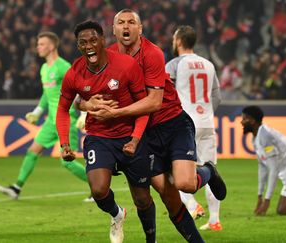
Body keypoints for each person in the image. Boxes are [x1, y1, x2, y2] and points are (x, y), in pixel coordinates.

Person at [79, 9, 227, 242]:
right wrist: (88, 104)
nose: (126, 26)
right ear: (114, 30)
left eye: (131, 22)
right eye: (121, 22)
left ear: (140, 29)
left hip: (173, 124)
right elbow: (79, 91)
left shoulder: (152, 54)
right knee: (166, 196)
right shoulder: (106, 57)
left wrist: (115, 112)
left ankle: (208, 170)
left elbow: (154, 102)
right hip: (145, 132)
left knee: (186, 185)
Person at [56, 20, 156, 243]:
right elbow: (63, 110)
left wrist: (135, 139)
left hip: (130, 136)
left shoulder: (126, 65)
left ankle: (152, 240)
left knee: (142, 199)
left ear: (102, 40)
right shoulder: (74, 73)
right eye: (83, 43)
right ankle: (117, 214)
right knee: (99, 190)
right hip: (99, 137)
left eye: (93, 40)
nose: (89, 46)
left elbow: (145, 106)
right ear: (78, 46)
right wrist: (64, 144)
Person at [0, 31, 89, 201]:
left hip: (66, 120)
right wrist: (37, 112)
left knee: (66, 161)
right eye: (38, 44)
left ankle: (98, 187)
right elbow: (47, 94)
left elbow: (80, 89)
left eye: (42, 44)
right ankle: (16, 188)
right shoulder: (44, 68)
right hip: (51, 121)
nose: (38, 47)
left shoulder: (63, 66)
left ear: (52, 46)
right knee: (32, 151)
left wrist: (84, 113)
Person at [165, 25, 223, 231]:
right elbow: (217, 96)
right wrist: (205, 112)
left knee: (171, 172)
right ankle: (215, 219)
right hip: (207, 122)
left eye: (174, 39)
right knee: (211, 170)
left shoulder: (174, 65)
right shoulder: (208, 64)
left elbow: (164, 94)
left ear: (179, 41)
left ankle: (192, 204)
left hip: (184, 125)